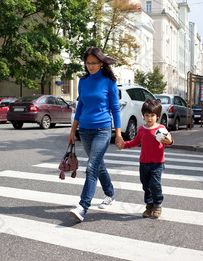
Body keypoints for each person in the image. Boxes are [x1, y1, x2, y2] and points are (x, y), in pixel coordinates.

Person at [68, 47, 124, 222]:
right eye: (87, 63)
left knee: (91, 167)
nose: (90, 66)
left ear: (101, 63)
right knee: (98, 165)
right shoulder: (83, 81)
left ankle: (83, 207)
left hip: (103, 130)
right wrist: (72, 130)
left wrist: (119, 134)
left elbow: (115, 109)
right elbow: (81, 107)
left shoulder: (109, 82)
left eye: (93, 63)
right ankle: (110, 193)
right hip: (84, 130)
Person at [120, 98, 173, 218]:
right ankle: (149, 206)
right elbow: (136, 141)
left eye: (152, 115)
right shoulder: (141, 129)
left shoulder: (160, 129)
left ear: (158, 116)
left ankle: (157, 204)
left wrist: (170, 141)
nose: (149, 118)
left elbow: (168, 141)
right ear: (143, 116)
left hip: (157, 163)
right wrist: (124, 145)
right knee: (145, 185)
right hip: (144, 162)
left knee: (155, 184)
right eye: (147, 115)